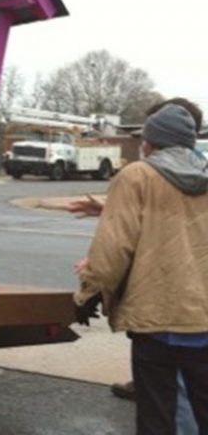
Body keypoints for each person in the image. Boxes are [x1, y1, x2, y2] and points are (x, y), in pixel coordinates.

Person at [74, 100, 208, 435]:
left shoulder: (136, 176)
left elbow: (113, 249)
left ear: (152, 142)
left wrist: (88, 293)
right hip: (203, 323)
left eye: (144, 139)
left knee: (156, 415)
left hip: (156, 321)